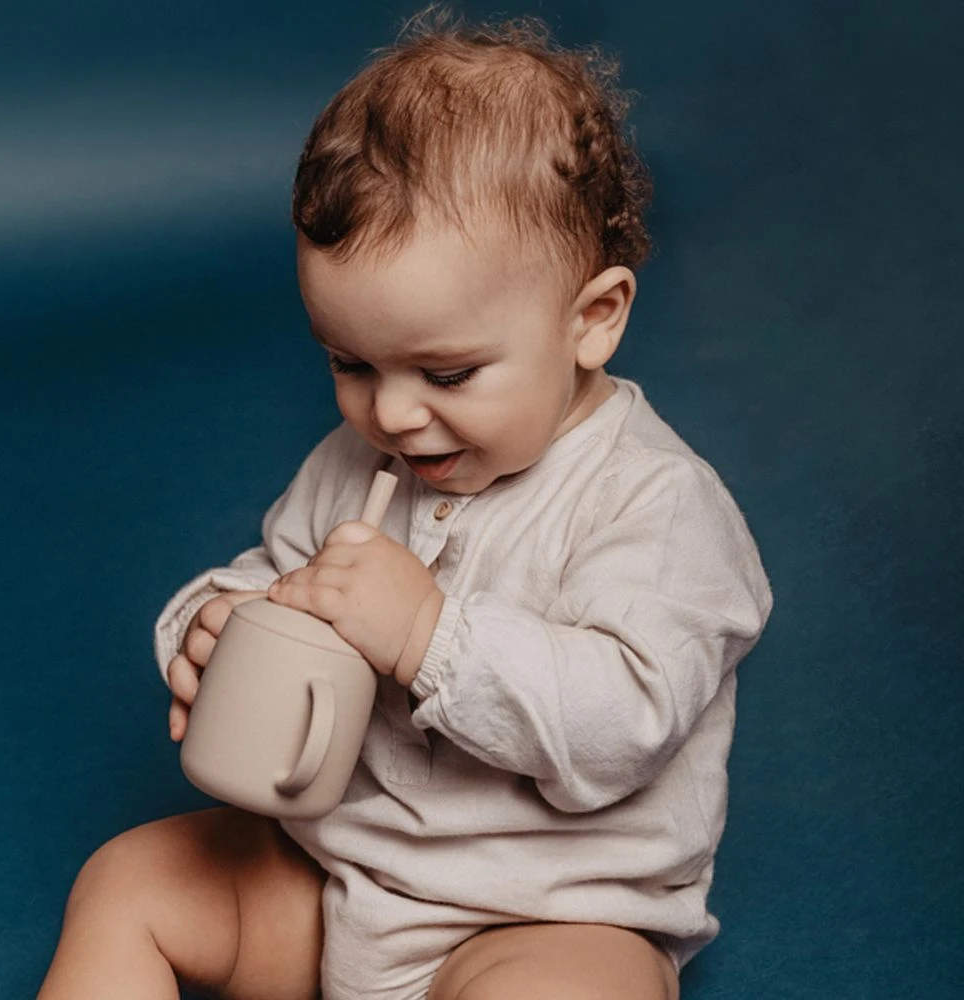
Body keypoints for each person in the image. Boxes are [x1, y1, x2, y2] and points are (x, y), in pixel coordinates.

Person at [38, 8, 772, 1000]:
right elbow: (279, 573)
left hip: (547, 916)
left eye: (447, 372)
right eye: (351, 363)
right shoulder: (364, 460)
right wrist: (214, 624)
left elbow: (625, 723)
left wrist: (429, 635)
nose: (390, 414)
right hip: (336, 883)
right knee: (128, 882)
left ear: (593, 319)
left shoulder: (655, 504)